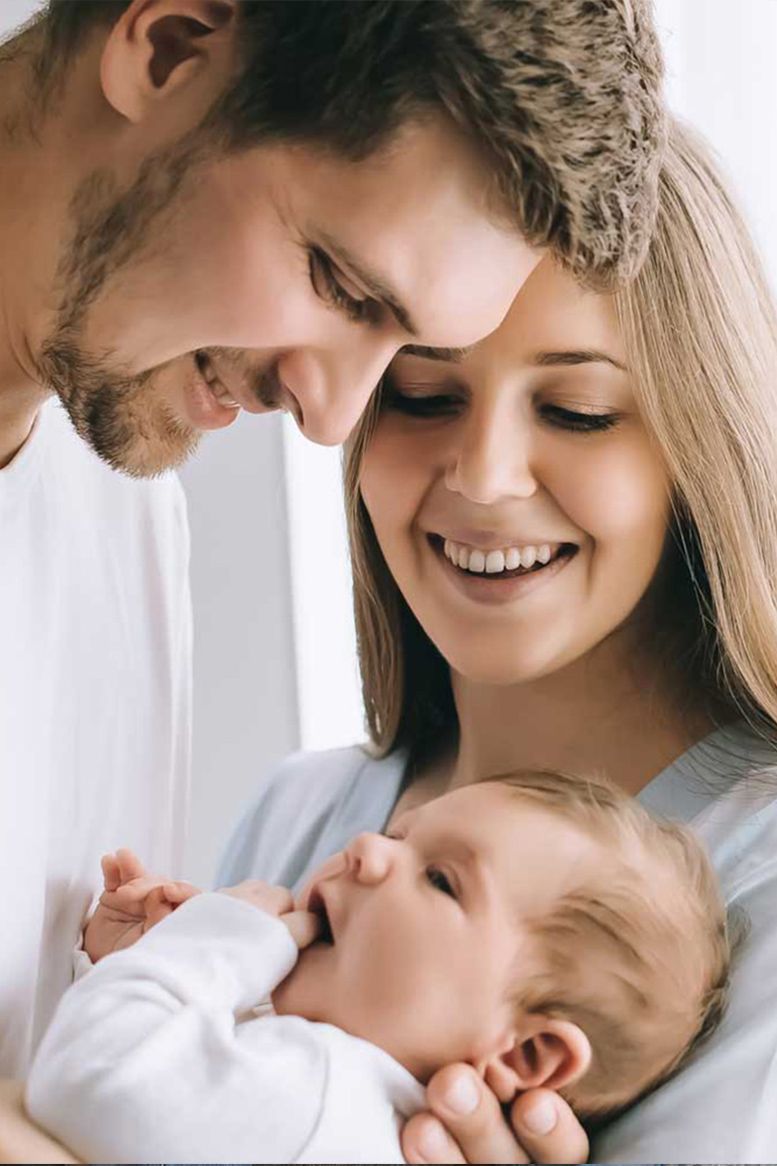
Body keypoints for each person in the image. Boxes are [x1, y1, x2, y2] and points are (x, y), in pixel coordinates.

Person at [0, 0, 667, 1159]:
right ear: (169, 47)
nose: (328, 420)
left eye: (393, 358)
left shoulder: (131, 524)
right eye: (341, 284)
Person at [216, 120, 777, 1165]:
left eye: (577, 410)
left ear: (699, 448)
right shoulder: (299, 819)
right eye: (424, 395)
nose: (483, 477)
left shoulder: (762, 874)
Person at [26, 770, 729, 1164]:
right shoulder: (340, 1106)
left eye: (441, 880)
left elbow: (89, 1083)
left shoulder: (322, 1093)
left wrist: (208, 948)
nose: (367, 848)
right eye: (398, 834)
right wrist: (148, 963)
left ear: (527, 1052)